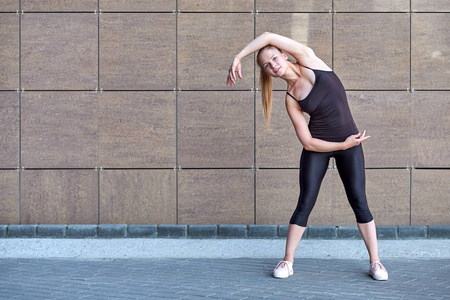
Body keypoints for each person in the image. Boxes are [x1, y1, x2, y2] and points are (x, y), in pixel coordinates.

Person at [226, 32, 388, 281]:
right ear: (267, 73)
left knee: (359, 201)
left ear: (285, 54)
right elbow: (308, 142)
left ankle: (375, 262)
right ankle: (287, 261)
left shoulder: (310, 60)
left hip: (350, 143)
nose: (273, 66)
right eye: (267, 66)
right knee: (305, 202)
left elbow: (268, 35)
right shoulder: (290, 99)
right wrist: (341, 146)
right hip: (321, 147)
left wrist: (238, 57)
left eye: (274, 58)